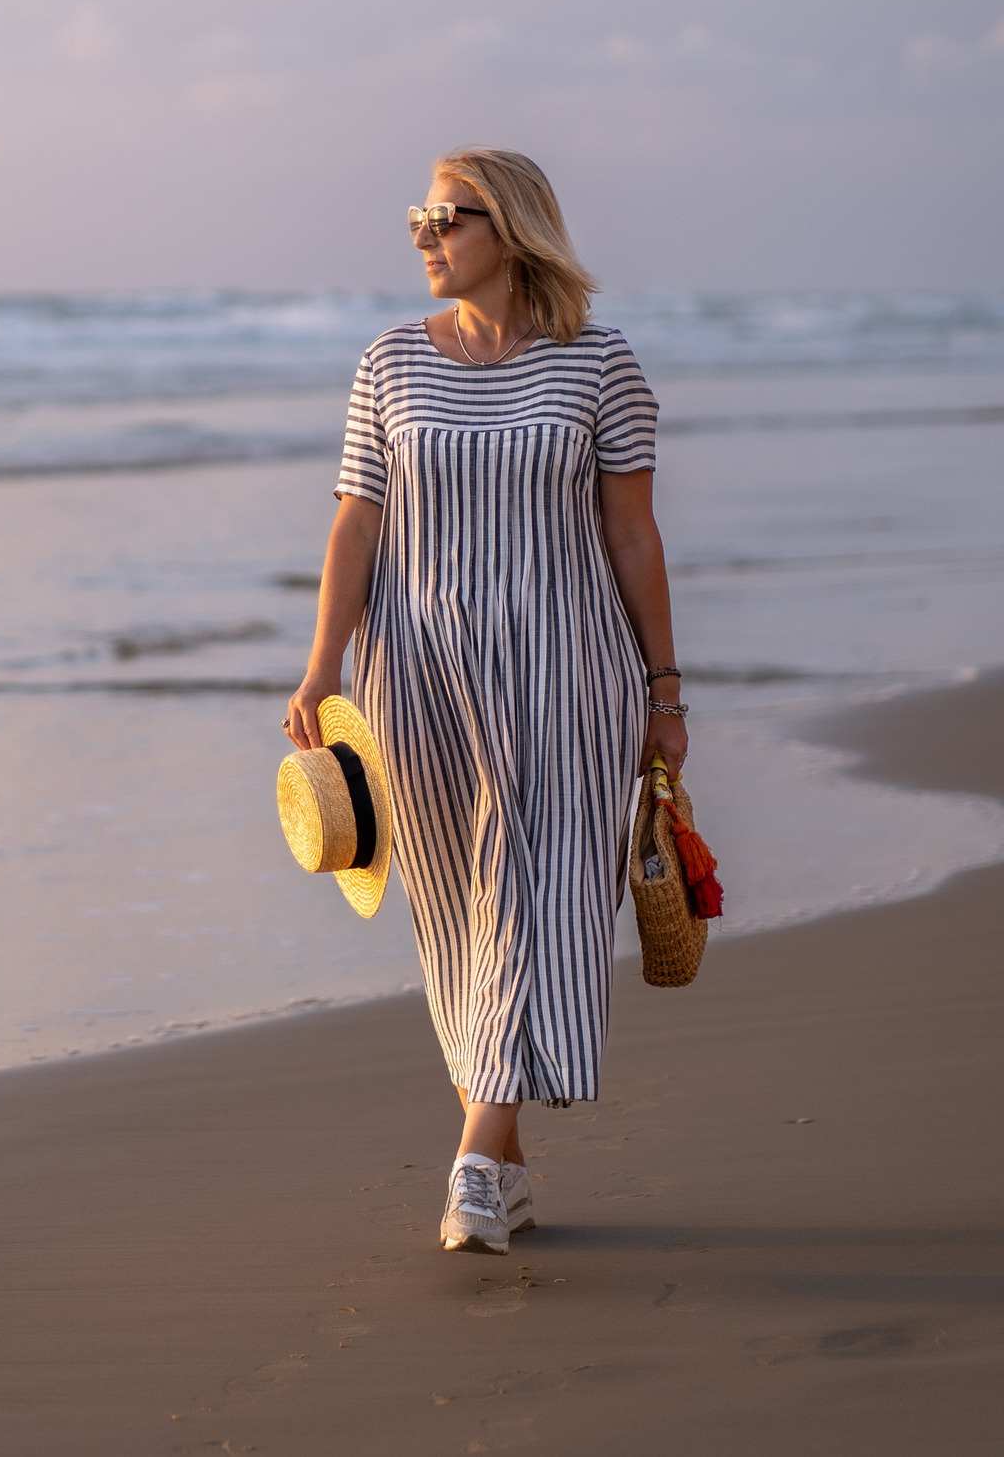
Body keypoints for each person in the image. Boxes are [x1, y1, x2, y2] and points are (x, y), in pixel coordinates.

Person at [283, 148, 687, 1256]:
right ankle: (500, 1171)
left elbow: (632, 535)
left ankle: (473, 1149)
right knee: (461, 907)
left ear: (510, 231)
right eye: (419, 216)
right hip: (418, 673)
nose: (424, 234)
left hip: (571, 666)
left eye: (448, 217)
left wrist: (664, 686)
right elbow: (356, 523)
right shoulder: (387, 364)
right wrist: (322, 667)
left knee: (541, 883)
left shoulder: (598, 364)